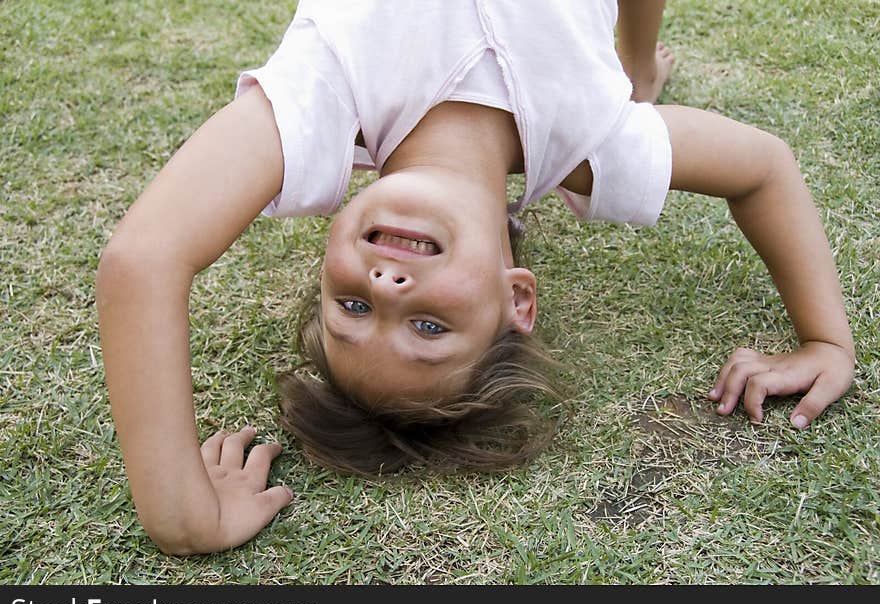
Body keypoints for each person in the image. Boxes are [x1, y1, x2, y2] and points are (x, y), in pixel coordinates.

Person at [96, 1, 855, 555]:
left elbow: (143, 259)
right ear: (517, 296)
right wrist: (826, 338)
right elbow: (762, 169)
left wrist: (183, 518)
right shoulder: (596, 134)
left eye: (350, 304)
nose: (389, 290)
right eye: (430, 327)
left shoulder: (322, 101)